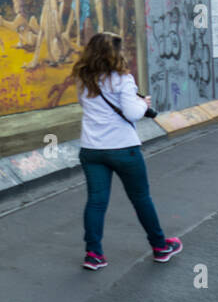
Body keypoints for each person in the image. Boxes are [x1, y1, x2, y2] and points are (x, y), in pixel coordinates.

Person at [72, 32, 180, 270]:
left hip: (92, 149)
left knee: (96, 202)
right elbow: (132, 113)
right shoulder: (123, 79)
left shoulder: (83, 78)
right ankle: (160, 246)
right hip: (123, 149)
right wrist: (144, 104)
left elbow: (89, 106)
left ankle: (93, 254)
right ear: (115, 53)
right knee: (141, 198)